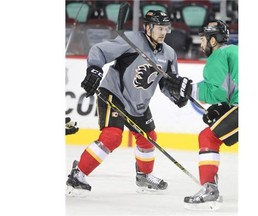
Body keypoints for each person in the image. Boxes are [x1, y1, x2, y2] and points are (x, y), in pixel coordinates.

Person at [66, 10, 192, 193]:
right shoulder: (132, 41)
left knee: (149, 138)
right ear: (148, 28)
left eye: (166, 28)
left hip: (138, 103)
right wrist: (94, 69)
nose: (163, 33)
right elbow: (99, 50)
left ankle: (143, 176)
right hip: (114, 93)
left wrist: (177, 96)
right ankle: (78, 174)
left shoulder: (169, 54)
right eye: (159, 28)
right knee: (112, 136)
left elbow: (167, 84)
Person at [182, 20, 238, 205]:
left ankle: (209, 188)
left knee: (208, 137)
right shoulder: (234, 51)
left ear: (213, 41)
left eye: (203, 39)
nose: (202, 43)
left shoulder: (217, 56)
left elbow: (218, 91)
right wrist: (226, 107)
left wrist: (189, 88)